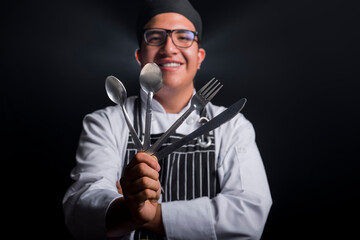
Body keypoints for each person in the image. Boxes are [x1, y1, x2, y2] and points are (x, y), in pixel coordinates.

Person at [62, 0, 272, 239]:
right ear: (140, 55)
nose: (169, 48)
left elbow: (248, 217)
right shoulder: (106, 122)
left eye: (183, 37)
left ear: (200, 56)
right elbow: (80, 209)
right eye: (155, 36)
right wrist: (127, 209)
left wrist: (148, 215)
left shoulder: (232, 125)